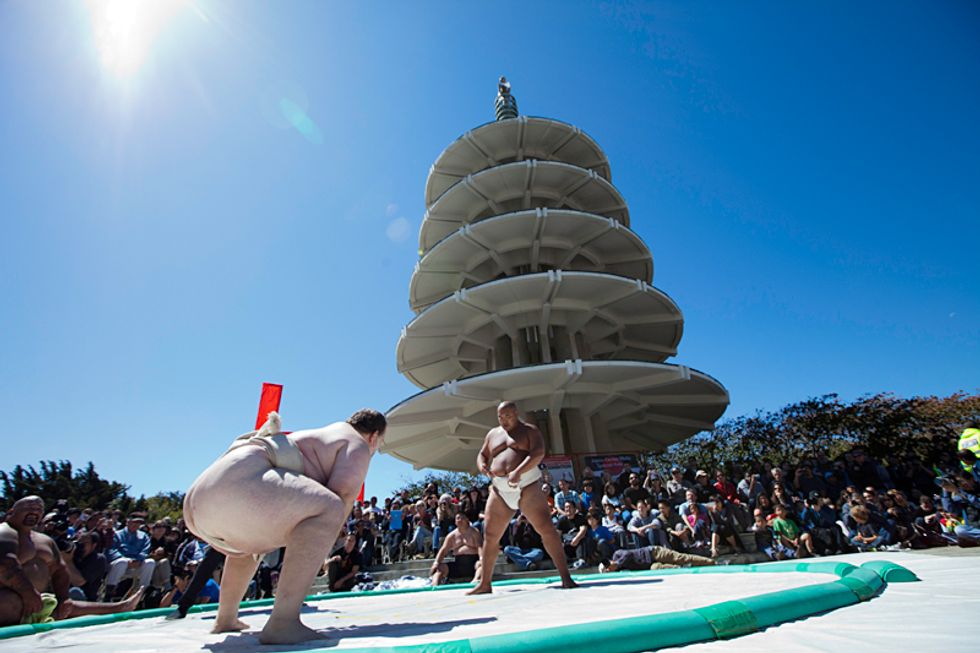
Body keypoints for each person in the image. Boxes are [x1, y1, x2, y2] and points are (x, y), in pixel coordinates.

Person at [182, 409, 385, 644]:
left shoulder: (322, 436)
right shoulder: (357, 442)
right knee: (332, 508)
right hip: (238, 488)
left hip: (199, 505)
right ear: (374, 436)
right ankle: (283, 622)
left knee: (253, 544)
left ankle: (225, 618)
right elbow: (344, 492)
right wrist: (322, 543)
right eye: (379, 444)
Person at [467, 402, 576, 594]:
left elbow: (538, 453)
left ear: (516, 413)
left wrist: (518, 471)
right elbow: (482, 454)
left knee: (547, 530)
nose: (504, 420)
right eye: (500, 417)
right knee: (490, 535)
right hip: (500, 488)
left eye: (508, 416)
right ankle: (485, 583)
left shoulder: (529, 430)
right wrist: (482, 464)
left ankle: (565, 577)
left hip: (527, 484)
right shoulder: (492, 434)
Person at [0, 496, 142, 627]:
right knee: (10, 602)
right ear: (12, 511)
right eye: (29, 508)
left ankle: (119, 607)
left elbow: (59, 570)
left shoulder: (45, 540)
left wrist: (63, 598)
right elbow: (5, 565)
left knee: (67, 605)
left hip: (37, 599)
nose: (34, 512)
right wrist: (28, 593)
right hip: (8, 598)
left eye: (39, 509)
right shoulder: (4, 532)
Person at [431, 512, 483, 585]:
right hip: (458, 564)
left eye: (462, 518)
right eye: (458, 518)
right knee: (440, 568)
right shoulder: (451, 536)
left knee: (481, 565)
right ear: (455, 522)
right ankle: (434, 586)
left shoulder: (474, 532)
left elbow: (480, 547)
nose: (460, 520)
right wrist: (436, 563)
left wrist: (481, 559)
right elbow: (443, 550)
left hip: (473, 563)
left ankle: (475, 581)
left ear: (467, 520)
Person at [599, 544, 715, 572]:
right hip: (649, 565)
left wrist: (617, 563)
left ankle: (711, 562)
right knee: (660, 568)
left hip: (653, 552)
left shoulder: (617, 555)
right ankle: (683, 569)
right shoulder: (619, 571)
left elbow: (628, 554)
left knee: (681, 558)